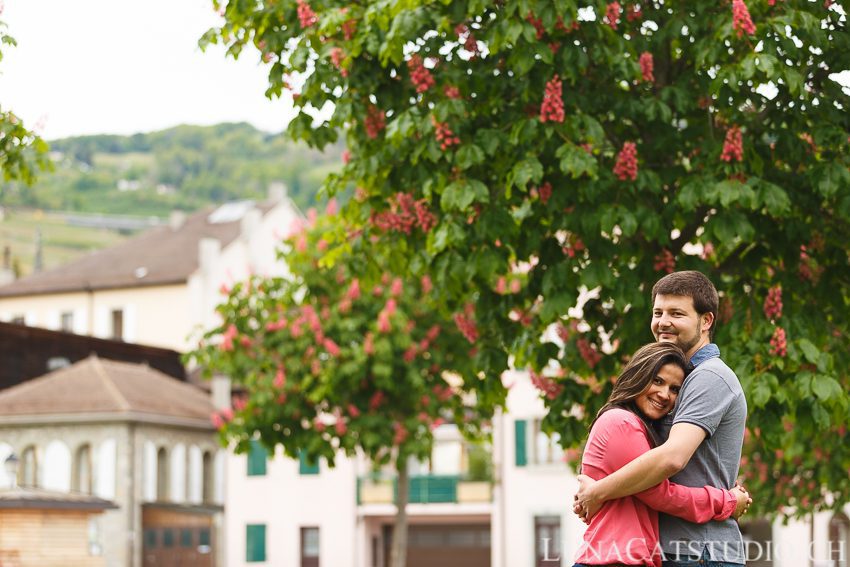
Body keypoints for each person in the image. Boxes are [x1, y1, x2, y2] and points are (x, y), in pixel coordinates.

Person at [573, 271, 749, 567]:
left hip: (700, 550)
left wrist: (597, 492)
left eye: (676, 313)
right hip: (671, 549)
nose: (663, 321)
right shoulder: (669, 384)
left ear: (706, 321)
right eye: (658, 312)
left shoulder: (709, 377)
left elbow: (672, 458)